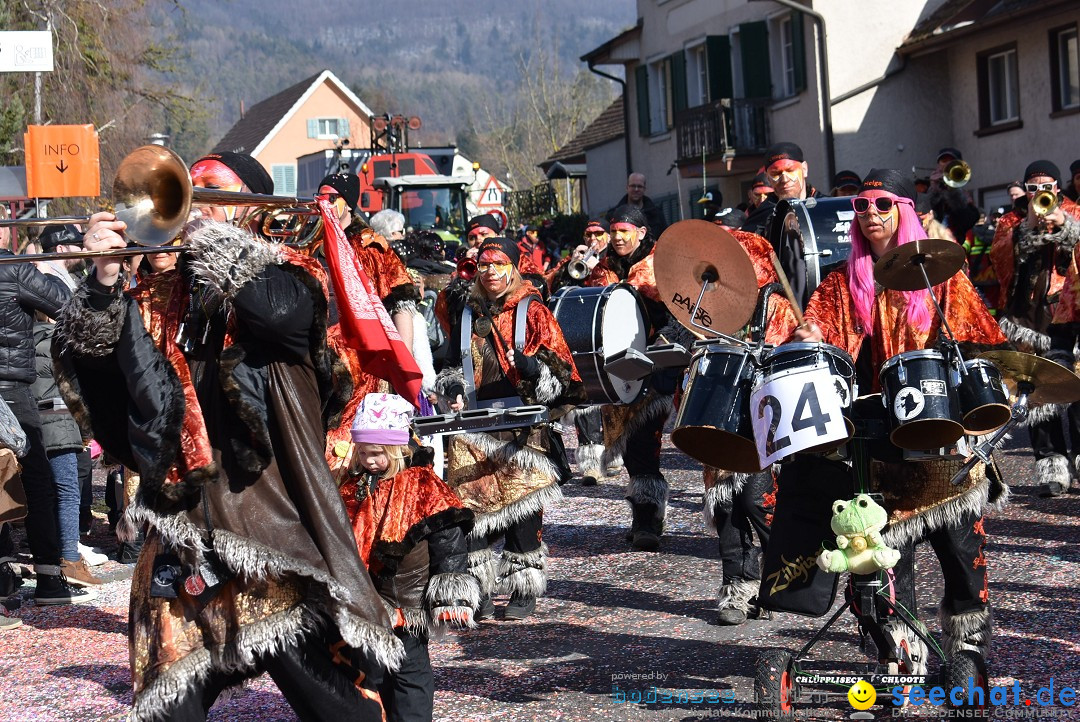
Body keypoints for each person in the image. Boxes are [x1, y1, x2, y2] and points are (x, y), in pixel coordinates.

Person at [62, 153, 402, 720]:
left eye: (213, 189)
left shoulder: (288, 269)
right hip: (180, 532)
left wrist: (215, 239)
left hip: (268, 530)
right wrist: (101, 283)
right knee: (169, 706)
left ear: (253, 204)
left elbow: (279, 319)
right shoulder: (158, 289)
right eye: (189, 188)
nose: (194, 198)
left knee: (339, 709)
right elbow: (106, 391)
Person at [791, 168, 1009, 670]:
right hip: (879, 444)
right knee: (889, 561)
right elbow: (820, 335)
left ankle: (967, 654)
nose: (870, 214)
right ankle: (901, 653)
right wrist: (808, 334)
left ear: (904, 211)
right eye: (861, 206)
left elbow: (986, 347)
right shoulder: (841, 283)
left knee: (961, 556)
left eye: (882, 205)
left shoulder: (943, 279)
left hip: (946, 443)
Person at [435, 237, 585, 620]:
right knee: (474, 508)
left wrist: (537, 371)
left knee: (522, 511)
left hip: (524, 422)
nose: (489, 272)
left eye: (498, 264)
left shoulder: (532, 309)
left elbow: (565, 374)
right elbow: (450, 363)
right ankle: (480, 587)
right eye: (483, 265)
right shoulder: (466, 311)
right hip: (475, 425)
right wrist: (451, 386)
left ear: (513, 268)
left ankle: (521, 587)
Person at [339, 393, 477, 722]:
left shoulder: (422, 486)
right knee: (371, 671)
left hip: (407, 602)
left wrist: (450, 590)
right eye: (364, 453)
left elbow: (448, 537)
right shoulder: (354, 485)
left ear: (398, 449)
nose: (370, 461)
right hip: (366, 600)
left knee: (409, 670)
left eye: (377, 454)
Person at [704, 226, 797, 625]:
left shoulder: (773, 302)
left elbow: (786, 353)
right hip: (718, 411)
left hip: (762, 415)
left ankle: (778, 584)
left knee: (757, 503)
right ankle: (735, 592)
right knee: (725, 506)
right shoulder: (707, 297)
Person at [584, 206, 689, 550]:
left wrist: (666, 341)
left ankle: (648, 519)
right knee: (629, 447)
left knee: (645, 443)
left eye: (623, 231)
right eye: (612, 231)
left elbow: (683, 313)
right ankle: (643, 513)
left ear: (641, 233)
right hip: (616, 369)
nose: (615, 237)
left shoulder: (663, 265)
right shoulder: (603, 269)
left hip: (654, 366)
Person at [0, 208, 90, 607]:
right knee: (38, 484)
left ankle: (3, 575)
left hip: (13, 386)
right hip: (12, 390)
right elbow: (68, 307)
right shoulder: (12, 268)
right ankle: (51, 580)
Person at [990, 160, 1080, 496]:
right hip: (1027, 320)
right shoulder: (1010, 220)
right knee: (1038, 396)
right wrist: (1027, 226)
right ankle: (1053, 468)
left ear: (1057, 187)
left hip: (1068, 316)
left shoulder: (1075, 211)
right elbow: (1001, 265)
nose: (1040, 192)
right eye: (1033, 187)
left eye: (1046, 186)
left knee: (1076, 393)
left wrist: (1065, 227)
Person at [545, 218, 612, 486]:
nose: (593, 238)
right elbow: (552, 287)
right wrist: (570, 264)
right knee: (586, 395)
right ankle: (592, 462)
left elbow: (615, 285)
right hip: (582, 331)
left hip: (611, 327)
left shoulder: (612, 261)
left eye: (599, 233)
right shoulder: (577, 257)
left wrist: (597, 268)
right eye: (589, 233)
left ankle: (613, 451)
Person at [742, 142, 824, 306]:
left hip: (825, 300)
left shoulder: (824, 207)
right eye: (776, 173)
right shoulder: (759, 218)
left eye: (791, 170)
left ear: (805, 169)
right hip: (782, 307)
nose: (785, 179)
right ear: (768, 178)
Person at [928, 147, 980, 242]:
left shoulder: (965, 196)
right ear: (938, 165)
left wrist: (953, 191)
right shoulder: (929, 186)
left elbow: (969, 219)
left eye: (952, 161)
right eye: (944, 161)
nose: (947, 164)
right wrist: (934, 191)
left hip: (956, 245)